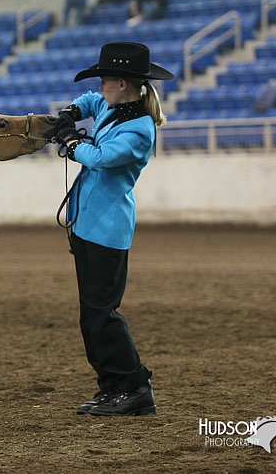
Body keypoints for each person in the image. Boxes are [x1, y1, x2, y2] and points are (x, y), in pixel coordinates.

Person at [52, 41, 174, 416]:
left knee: (101, 314)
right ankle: (112, 386)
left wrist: (72, 144)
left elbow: (103, 158)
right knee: (92, 315)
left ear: (122, 83)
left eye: (106, 79)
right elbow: (90, 100)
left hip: (107, 230)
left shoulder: (139, 129)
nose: (101, 85)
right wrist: (72, 111)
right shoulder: (112, 105)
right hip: (89, 224)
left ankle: (135, 385)